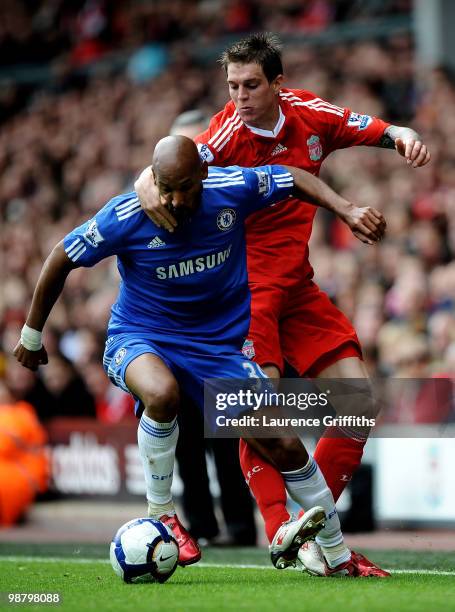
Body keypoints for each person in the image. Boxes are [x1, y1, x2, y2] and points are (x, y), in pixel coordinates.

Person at [15, 135, 387, 577]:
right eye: (164, 186)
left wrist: (344, 208)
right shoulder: (127, 214)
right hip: (141, 336)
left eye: (184, 188)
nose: (172, 199)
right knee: (162, 393)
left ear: (204, 178)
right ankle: (163, 514)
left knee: (286, 446)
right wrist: (32, 335)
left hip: (216, 349)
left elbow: (291, 178)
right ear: (152, 179)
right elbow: (61, 256)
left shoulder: (231, 189)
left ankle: (339, 555)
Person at [135, 33, 430, 576]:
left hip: (297, 286)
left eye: (251, 85)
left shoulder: (310, 116)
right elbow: (168, 167)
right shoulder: (223, 133)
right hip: (242, 294)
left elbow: (376, 128)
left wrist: (404, 134)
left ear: (277, 83)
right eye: (232, 86)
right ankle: (281, 530)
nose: (241, 96)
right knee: (260, 411)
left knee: (356, 403)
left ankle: (309, 527)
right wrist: (145, 182)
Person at [171, 110, 257, 546]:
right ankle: (200, 527)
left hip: (223, 334)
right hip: (173, 339)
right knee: (184, 440)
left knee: (228, 438)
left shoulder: (229, 192)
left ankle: (241, 526)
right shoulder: (157, 204)